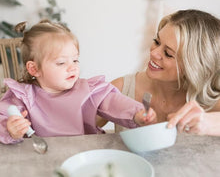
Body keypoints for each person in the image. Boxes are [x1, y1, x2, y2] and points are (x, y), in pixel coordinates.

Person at [0, 20, 157, 145]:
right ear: (34, 69)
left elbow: (113, 102)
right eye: (61, 63)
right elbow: (3, 117)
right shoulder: (22, 97)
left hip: (83, 156)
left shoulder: (86, 89)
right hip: (41, 158)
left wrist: (137, 113)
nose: (72, 67)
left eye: (75, 60)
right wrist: (11, 129)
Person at [97, 9, 220, 135]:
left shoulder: (211, 101)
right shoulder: (121, 89)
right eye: (157, 42)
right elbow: (78, 126)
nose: (153, 53)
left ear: (194, 66)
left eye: (168, 54)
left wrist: (210, 123)